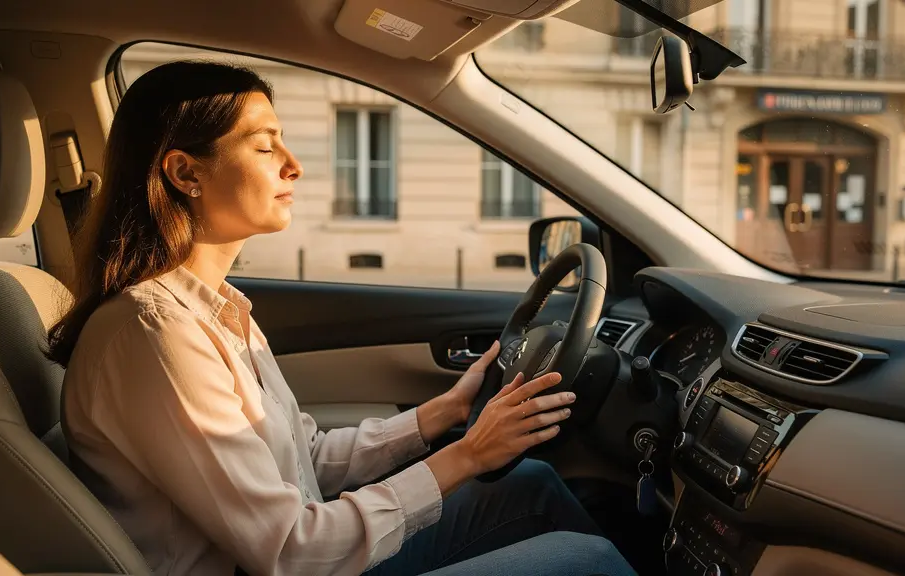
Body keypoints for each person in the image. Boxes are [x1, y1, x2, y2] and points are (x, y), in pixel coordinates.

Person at [47, 60, 636, 576]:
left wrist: (445, 415)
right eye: (263, 145)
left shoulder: (212, 310)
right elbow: (292, 554)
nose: (293, 165)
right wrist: (468, 454)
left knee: (529, 484)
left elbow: (307, 461)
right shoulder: (156, 333)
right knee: (592, 564)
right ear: (185, 173)